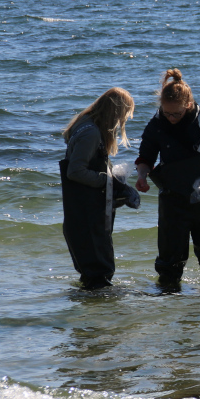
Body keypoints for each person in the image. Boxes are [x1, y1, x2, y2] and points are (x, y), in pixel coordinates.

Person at [134, 69, 200, 287]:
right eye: (167, 113)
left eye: (176, 114)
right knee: (169, 265)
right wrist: (142, 175)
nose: (171, 119)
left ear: (188, 105)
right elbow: (145, 157)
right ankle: (170, 307)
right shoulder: (156, 124)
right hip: (173, 200)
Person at [60, 87, 138, 289]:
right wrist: (108, 181)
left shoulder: (83, 124)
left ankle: (92, 314)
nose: (123, 121)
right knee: (100, 272)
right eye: (124, 116)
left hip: (80, 210)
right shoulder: (91, 133)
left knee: (92, 272)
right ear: (115, 113)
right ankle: (102, 315)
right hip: (87, 212)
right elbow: (75, 171)